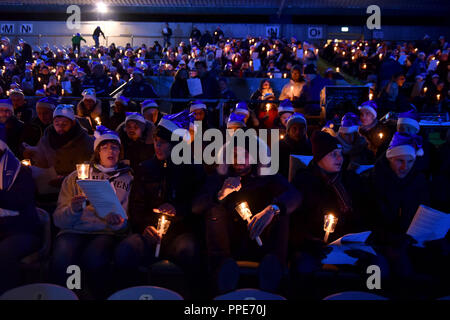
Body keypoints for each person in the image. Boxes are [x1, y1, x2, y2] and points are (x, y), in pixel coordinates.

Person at [114, 111, 205, 295]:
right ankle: (130, 295)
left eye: (163, 143)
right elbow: (136, 205)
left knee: (190, 251)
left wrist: (177, 209)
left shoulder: (192, 169)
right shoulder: (145, 168)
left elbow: (198, 204)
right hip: (149, 232)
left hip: (180, 232)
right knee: (126, 250)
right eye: (156, 141)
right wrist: (145, 226)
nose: (157, 146)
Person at [192, 141, 301, 294]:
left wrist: (272, 210)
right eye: (234, 155)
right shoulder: (220, 176)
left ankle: (274, 268)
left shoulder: (267, 176)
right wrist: (220, 194)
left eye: (245, 154)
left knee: (281, 211)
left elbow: (294, 195)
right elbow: (196, 206)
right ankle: (221, 270)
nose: (239, 160)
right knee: (214, 210)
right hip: (230, 241)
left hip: (261, 239)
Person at [290, 131, 380, 298]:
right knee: (302, 268)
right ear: (319, 158)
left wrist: (361, 238)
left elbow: (367, 210)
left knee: (376, 267)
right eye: (333, 155)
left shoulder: (350, 179)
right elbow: (296, 221)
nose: (339, 159)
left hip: (349, 245)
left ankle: (369, 296)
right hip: (315, 246)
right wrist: (309, 242)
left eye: (340, 154)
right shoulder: (304, 182)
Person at [50, 126, 132, 299]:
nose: (110, 151)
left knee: (94, 259)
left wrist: (118, 223)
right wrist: (74, 209)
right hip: (73, 229)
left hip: (105, 232)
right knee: (62, 258)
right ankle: (70, 296)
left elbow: (126, 219)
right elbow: (58, 219)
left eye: (115, 147)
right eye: (105, 147)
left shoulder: (128, 178)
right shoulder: (76, 177)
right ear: (97, 152)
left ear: (120, 152)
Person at [0, 139, 41, 295]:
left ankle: (10, 294)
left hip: (22, 229)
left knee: (4, 253)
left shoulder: (20, 172)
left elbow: (20, 201)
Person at [23, 105, 93, 187]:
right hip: (51, 184)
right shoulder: (46, 139)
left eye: (64, 124)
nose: (60, 127)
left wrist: (67, 178)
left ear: (72, 123)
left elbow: (88, 165)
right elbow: (41, 162)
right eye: (57, 124)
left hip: (74, 184)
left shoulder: (84, 140)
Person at [278, 113, 312, 178]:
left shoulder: (310, 146)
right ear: (288, 130)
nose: (298, 132)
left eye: (301, 128)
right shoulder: (280, 146)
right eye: (294, 128)